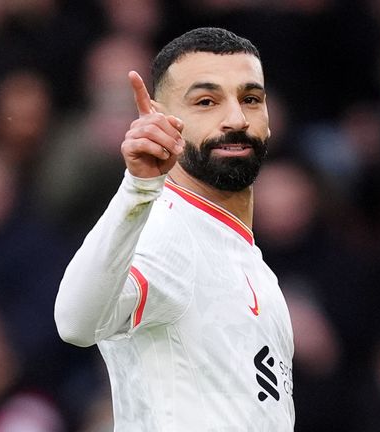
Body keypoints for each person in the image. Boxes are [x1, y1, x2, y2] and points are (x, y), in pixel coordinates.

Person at [54, 27, 295, 430]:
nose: (236, 118)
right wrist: (137, 188)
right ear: (162, 119)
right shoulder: (165, 230)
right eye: (206, 101)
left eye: (250, 99)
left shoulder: (245, 257)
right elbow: (76, 322)